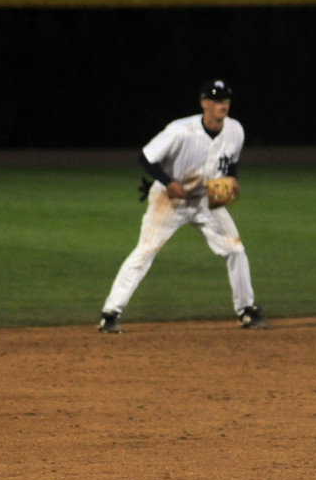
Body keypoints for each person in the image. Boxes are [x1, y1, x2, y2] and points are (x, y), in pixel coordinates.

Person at [98, 78, 267, 333]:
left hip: (206, 201)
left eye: (226, 100)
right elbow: (146, 156)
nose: (223, 105)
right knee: (146, 251)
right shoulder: (181, 130)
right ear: (204, 103)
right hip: (170, 200)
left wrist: (232, 181)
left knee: (235, 250)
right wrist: (167, 182)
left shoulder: (235, 130)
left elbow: (230, 163)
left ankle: (246, 310)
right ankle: (110, 313)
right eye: (217, 100)